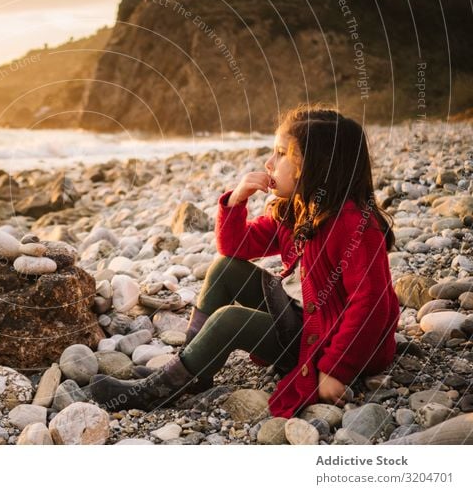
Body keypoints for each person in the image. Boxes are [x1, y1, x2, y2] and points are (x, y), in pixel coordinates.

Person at [89, 105, 401, 418]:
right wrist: (237, 200)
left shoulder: (354, 226)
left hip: (324, 339)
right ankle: (190, 368)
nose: (269, 163)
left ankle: (158, 390)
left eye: (280, 154)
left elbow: (372, 304)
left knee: (230, 320)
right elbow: (234, 246)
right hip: (299, 315)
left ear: (315, 165)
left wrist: (337, 368)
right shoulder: (297, 210)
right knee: (224, 268)